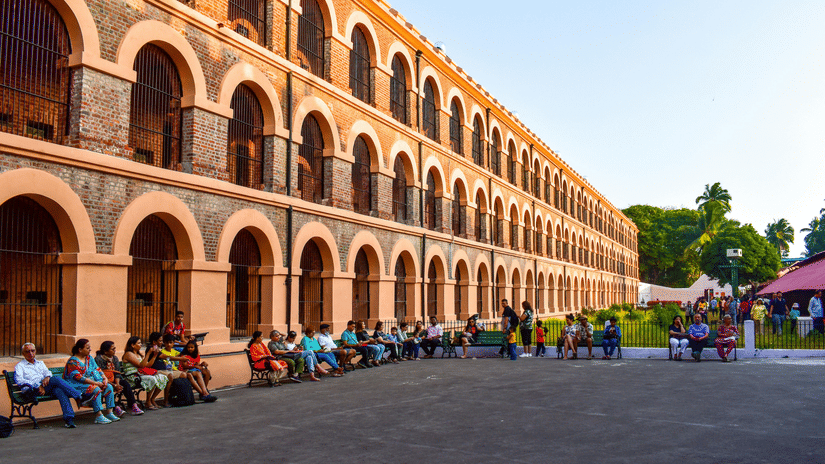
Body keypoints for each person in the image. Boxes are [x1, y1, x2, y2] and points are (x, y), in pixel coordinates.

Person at [15, 343, 87, 428]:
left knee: (59, 390)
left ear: (35, 351)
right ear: (23, 353)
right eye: (27, 351)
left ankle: (69, 420)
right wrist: (37, 385)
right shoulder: (20, 366)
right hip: (31, 390)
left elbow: (48, 372)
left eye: (32, 351)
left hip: (45, 388)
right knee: (56, 379)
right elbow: (19, 381)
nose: (30, 353)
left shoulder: (40, 363)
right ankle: (78, 396)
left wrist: (47, 377)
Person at [63, 339, 119, 424]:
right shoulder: (73, 362)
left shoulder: (89, 358)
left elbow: (97, 369)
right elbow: (79, 378)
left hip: (92, 382)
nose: (90, 350)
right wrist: (96, 383)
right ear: (80, 349)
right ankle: (99, 415)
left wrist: (104, 378)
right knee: (95, 389)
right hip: (76, 385)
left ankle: (109, 412)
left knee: (109, 386)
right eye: (87, 348)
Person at [95, 341, 144, 416]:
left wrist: (117, 384)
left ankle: (133, 405)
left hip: (115, 380)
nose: (115, 351)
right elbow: (99, 375)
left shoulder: (114, 358)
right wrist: (114, 385)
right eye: (112, 349)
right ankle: (116, 407)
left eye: (115, 348)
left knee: (125, 384)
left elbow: (117, 373)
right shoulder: (98, 359)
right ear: (105, 351)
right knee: (110, 387)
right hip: (103, 381)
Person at [160, 334, 214, 401]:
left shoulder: (176, 352)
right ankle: (204, 393)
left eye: (170, 343)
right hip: (176, 370)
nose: (168, 345)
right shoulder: (162, 352)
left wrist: (190, 341)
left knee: (203, 372)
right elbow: (181, 361)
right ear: (164, 343)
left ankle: (204, 392)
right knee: (192, 374)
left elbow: (187, 349)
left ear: (173, 343)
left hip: (180, 370)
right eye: (166, 343)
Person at [121, 336, 167, 410]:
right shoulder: (129, 354)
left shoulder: (139, 354)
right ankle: (148, 401)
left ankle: (152, 399)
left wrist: (155, 355)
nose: (141, 344)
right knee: (151, 379)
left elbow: (148, 365)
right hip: (133, 377)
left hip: (141, 374)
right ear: (132, 345)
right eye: (139, 343)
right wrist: (148, 353)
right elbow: (141, 366)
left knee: (162, 377)